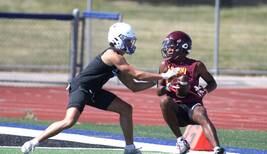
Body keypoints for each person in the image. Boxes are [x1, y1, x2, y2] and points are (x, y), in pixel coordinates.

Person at [21, 22, 179, 154]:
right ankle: (34, 142)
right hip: (81, 88)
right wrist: (163, 76)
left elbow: (133, 86)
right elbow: (137, 74)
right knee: (69, 121)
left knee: (126, 109)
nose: (131, 44)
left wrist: (156, 82)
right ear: (117, 40)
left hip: (93, 91)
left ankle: (130, 148)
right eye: (128, 40)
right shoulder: (113, 56)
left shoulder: (119, 60)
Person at [156, 31, 225, 154]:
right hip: (175, 108)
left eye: (171, 46)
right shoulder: (165, 65)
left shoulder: (196, 65)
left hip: (192, 107)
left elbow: (212, 83)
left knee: (201, 112)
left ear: (183, 47)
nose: (168, 49)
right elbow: (159, 91)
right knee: (164, 100)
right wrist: (168, 87)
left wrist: (204, 91)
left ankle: (217, 149)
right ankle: (180, 140)